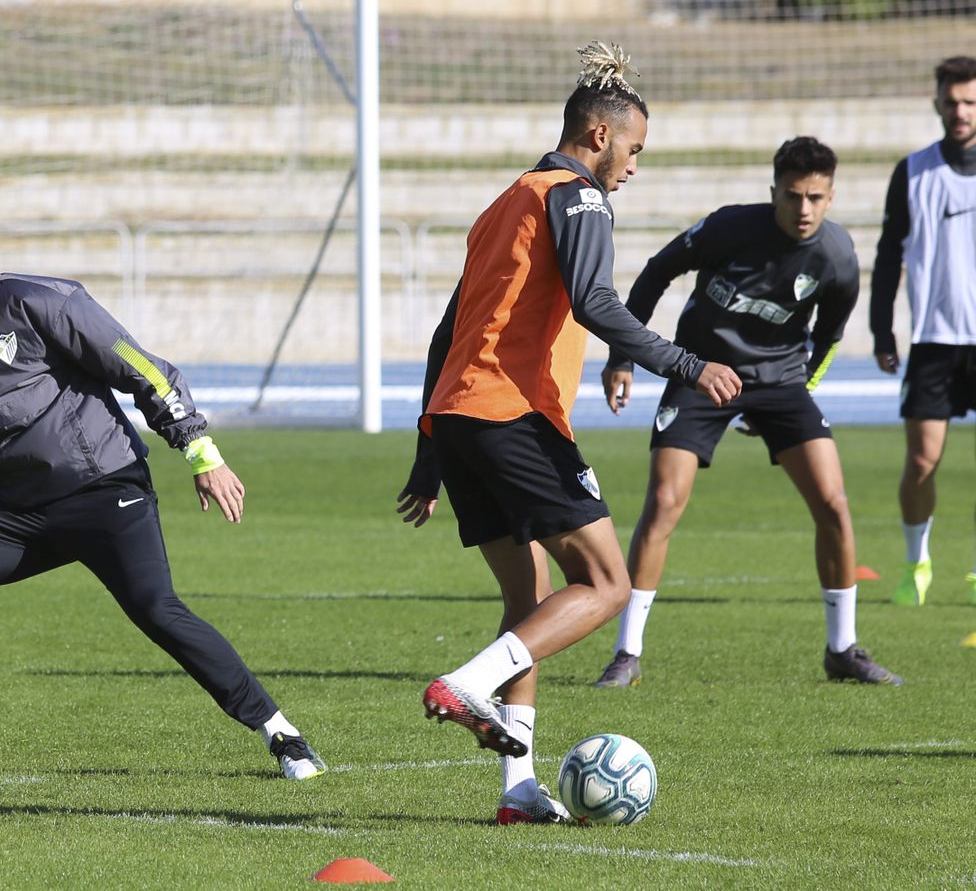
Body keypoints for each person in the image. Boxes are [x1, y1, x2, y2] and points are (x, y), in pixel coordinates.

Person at [0, 200, 325, 782]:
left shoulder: (42, 301)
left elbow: (142, 368)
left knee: (156, 610)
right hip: (14, 514)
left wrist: (199, 451)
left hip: (103, 489)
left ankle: (281, 734)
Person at [394, 42, 741, 825]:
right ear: (598, 135)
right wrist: (687, 365)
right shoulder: (578, 198)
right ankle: (468, 683)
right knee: (607, 583)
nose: (633, 166)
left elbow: (447, 334)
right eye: (634, 149)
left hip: (460, 419)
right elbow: (594, 300)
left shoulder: (506, 201)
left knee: (531, 600)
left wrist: (429, 453)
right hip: (514, 415)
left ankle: (518, 791)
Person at [591, 137, 902, 689]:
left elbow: (828, 338)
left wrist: (800, 387)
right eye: (793, 196)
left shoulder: (838, 258)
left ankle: (842, 649)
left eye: (815, 198)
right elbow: (656, 273)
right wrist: (622, 358)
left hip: (779, 384)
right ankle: (626, 654)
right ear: (773, 191)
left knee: (834, 504)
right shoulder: (729, 228)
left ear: (830, 198)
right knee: (664, 503)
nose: (803, 208)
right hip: (701, 374)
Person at [871, 56, 976, 609]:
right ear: (936, 103)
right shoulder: (913, 172)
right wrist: (881, 329)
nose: (960, 111)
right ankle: (918, 562)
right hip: (934, 340)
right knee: (920, 462)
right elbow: (889, 255)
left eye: (970, 102)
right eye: (951, 101)